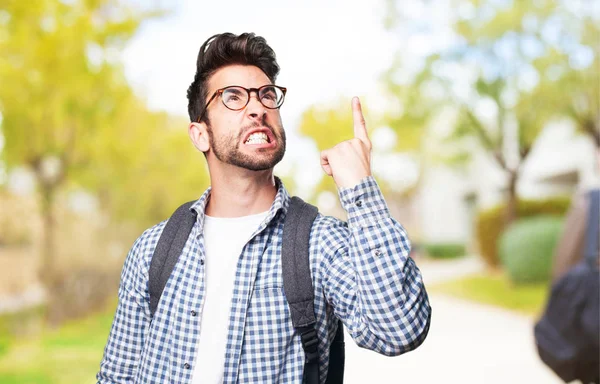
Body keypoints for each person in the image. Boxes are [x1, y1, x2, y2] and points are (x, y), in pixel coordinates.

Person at [97, 32, 431, 383]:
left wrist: (360, 190)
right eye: (233, 97)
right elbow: (118, 375)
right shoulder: (154, 249)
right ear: (200, 134)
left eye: (267, 95)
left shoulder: (318, 244)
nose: (258, 108)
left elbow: (398, 331)